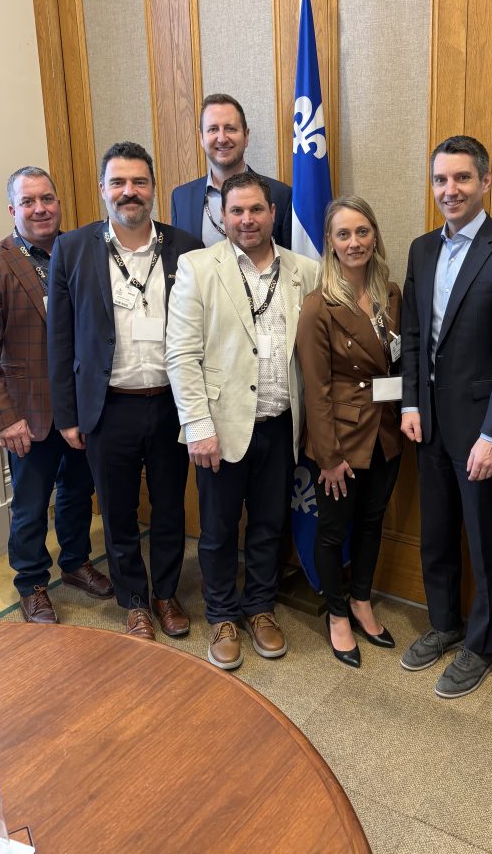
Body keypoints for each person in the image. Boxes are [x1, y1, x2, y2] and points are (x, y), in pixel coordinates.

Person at [400, 135, 492, 697]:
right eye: (440, 180)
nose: (449, 190)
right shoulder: (420, 250)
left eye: (461, 178)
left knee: (485, 542)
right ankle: (443, 625)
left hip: (481, 432)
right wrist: (410, 401)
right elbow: (414, 335)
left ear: (485, 182)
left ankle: (482, 645)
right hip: (428, 424)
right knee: (435, 535)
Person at [47, 142, 202, 641]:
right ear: (103, 190)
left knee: (171, 507)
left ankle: (166, 594)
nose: (128, 192)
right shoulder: (71, 249)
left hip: (170, 405)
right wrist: (68, 415)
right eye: (118, 182)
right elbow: (61, 339)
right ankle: (133, 600)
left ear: (153, 189)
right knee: (115, 511)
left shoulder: (187, 247)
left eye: (138, 182)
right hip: (108, 408)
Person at [165, 170, 318, 670]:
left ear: (273, 213)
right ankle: (222, 615)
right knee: (217, 529)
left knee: (270, 525)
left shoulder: (304, 271)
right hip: (222, 426)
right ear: (222, 216)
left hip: (280, 422)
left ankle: (259, 607)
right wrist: (199, 428)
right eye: (237, 211)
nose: (247, 219)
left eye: (256, 210)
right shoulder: (197, 267)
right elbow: (182, 355)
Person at [0, 166, 112, 623]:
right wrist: (5, 418)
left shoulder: (87, 252)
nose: (40, 208)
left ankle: (75, 563)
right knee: (30, 505)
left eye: (46, 198)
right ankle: (30, 582)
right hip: (29, 416)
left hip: (83, 408)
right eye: (28, 202)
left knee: (76, 493)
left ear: (59, 203)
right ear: (13, 210)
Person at [296, 197, 403, 668]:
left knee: (372, 521)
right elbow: (315, 388)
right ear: (331, 244)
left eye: (362, 231)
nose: (354, 242)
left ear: (374, 235)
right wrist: (327, 455)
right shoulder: (318, 306)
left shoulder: (392, 294)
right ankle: (337, 613)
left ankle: (362, 599)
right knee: (333, 528)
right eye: (344, 234)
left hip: (387, 432)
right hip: (341, 440)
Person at [170, 93, 292, 248]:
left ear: (246, 136)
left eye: (230, 129)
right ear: (201, 137)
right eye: (213, 129)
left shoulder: (281, 195)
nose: (222, 138)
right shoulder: (181, 199)